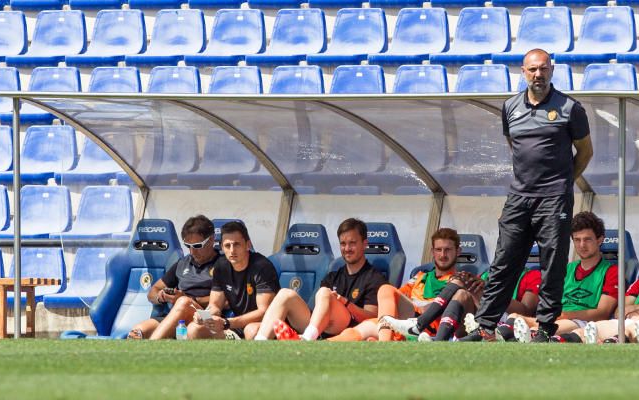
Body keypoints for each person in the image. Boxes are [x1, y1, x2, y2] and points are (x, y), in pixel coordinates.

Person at [463, 48, 593, 341]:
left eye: (543, 69)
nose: (538, 74)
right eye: (532, 69)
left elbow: (585, 151)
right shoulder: (510, 107)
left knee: (553, 263)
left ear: (551, 70)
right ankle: (485, 326)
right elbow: (516, 145)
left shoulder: (570, 108)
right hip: (519, 197)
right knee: (504, 261)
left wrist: (562, 183)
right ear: (523, 71)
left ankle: (545, 328)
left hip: (554, 198)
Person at [250, 218, 388, 341]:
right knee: (285, 294)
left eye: (352, 243)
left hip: (350, 329)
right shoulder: (333, 276)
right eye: (343, 243)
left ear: (364, 244)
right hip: (321, 328)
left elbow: (372, 318)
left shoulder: (374, 278)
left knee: (324, 292)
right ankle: (260, 343)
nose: (347, 248)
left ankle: (307, 339)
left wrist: (345, 303)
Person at [336, 228, 485, 342]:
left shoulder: (464, 279)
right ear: (432, 252)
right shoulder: (420, 277)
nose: (442, 255)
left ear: (458, 251)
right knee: (357, 329)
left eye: (448, 250)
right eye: (438, 250)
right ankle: (314, 341)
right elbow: (396, 297)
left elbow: (476, 311)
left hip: (435, 328)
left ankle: (389, 338)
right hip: (407, 323)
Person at [502, 211, 618, 343]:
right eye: (577, 240)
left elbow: (602, 313)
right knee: (514, 317)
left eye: (587, 239)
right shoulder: (566, 269)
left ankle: (525, 337)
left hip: (584, 323)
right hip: (557, 319)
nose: (581, 245)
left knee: (539, 330)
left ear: (600, 240)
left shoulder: (612, 271)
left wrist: (565, 315)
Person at [128, 216, 219, 339]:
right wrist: (161, 296)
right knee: (137, 332)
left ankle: (152, 346)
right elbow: (152, 293)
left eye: (197, 246)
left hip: (205, 318)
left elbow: (228, 300)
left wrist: (188, 299)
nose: (192, 252)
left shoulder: (223, 264)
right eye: (188, 246)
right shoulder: (182, 264)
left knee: (184, 303)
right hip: (175, 317)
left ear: (211, 240)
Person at [187, 221, 280, 340]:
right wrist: (205, 316)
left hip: (262, 324)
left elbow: (264, 312)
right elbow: (215, 305)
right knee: (193, 329)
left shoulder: (262, 266)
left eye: (236, 245)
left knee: (251, 330)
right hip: (235, 325)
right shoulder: (221, 266)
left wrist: (228, 323)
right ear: (221, 247)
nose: (232, 250)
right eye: (227, 245)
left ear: (248, 245)